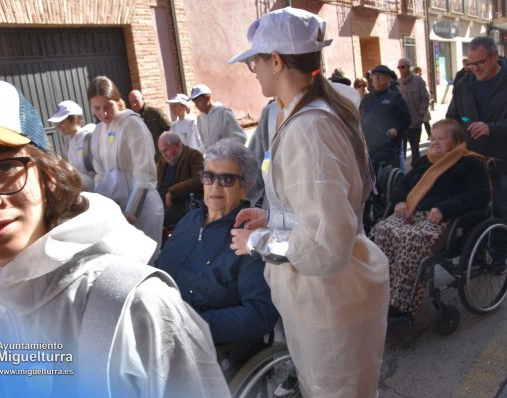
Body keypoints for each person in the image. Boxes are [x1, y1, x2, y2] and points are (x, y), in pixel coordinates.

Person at [0, 70, 230, 398]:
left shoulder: (136, 308)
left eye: (4, 167)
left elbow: (143, 174)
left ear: (48, 175)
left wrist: (132, 204)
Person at [227, 7, 389, 397]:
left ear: (277, 61)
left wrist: (258, 243)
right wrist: (273, 216)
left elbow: (324, 248)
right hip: (326, 298)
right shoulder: (309, 114)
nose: (256, 71)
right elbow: (322, 206)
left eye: (256, 63)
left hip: (328, 300)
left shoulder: (310, 127)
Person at [156, 139, 278, 348]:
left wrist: (190, 325)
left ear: (244, 188)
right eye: (208, 176)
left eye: (227, 179)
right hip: (157, 325)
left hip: (201, 345)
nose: (214, 186)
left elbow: (260, 314)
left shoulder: (249, 235)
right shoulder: (190, 219)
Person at [371, 119, 491, 316]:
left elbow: (480, 195)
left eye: (441, 139)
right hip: (411, 212)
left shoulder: (469, 162)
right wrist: (400, 201)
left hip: (443, 219)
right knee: (381, 231)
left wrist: (444, 208)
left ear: (457, 142)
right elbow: (402, 183)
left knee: (411, 240)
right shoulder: (424, 161)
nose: (435, 142)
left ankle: (401, 304)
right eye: (433, 138)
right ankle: (381, 294)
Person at [446, 36, 507, 270]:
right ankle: (476, 255)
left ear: (495, 56)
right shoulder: (465, 83)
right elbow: (452, 115)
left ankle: (498, 258)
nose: (475, 69)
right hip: (473, 160)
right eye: (470, 64)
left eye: (480, 63)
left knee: (501, 212)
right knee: (475, 209)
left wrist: (492, 129)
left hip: (506, 159)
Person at [88, 76, 164, 250]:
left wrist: (131, 211)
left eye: (108, 106)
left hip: (141, 207)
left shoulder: (132, 123)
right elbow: (100, 173)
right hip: (116, 208)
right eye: (96, 108)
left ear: (117, 100)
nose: (103, 114)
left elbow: (144, 171)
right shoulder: (98, 131)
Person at [360, 64, 412, 170]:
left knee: (389, 180)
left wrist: (396, 130)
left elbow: (407, 118)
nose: (377, 78)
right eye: (374, 76)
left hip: (389, 147)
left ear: (388, 79)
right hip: (370, 148)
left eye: (380, 75)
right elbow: (360, 118)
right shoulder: (366, 98)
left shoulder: (395, 97)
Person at [156, 132, 204, 228]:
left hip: (182, 205)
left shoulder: (193, 156)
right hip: (161, 205)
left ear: (178, 145)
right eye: (161, 151)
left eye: (166, 150)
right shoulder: (162, 161)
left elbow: (200, 179)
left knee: (156, 220)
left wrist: (173, 191)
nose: (164, 155)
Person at [48, 100, 96, 191]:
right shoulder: (67, 144)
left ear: (75, 119)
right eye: (57, 123)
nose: (58, 126)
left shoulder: (89, 138)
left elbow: (98, 173)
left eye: (62, 122)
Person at [189, 84, 246, 151]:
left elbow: (241, 137)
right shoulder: (200, 119)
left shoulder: (224, 113)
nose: (196, 105)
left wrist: (225, 151)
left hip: (226, 158)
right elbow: (204, 144)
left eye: (198, 101)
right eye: (194, 102)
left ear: (207, 98)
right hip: (211, 159)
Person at [397, 58, 431, 166]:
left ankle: (416, 171)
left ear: (408, 68)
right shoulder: (397, 84)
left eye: (403, 67)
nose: (401, 69)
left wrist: (421, 113)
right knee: (401, 150)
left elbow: (425, 98)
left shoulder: (418, 81)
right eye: (399, 67)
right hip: (402, 124)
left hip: (415, 121)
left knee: (415, 149)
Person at [128, 89, 171, 159]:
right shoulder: (131, 118)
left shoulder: (154, 113)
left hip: (159, 156)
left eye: (136, 101)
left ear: (142, 99)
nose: (134, 104)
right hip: (143, 158)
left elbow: (169, 129)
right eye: (131, 102)